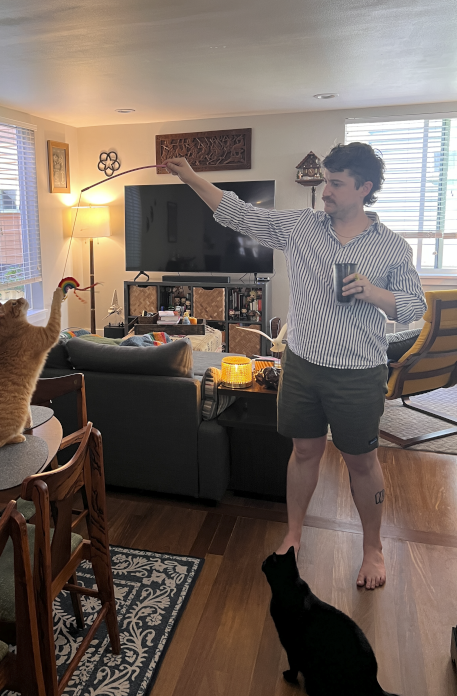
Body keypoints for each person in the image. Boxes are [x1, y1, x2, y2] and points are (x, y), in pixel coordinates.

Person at [166, 143, 426, 590]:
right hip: (302, 366)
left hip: (358, 372)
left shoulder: (392, 247)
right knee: (304, 452)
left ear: (364, 188)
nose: (326, 191)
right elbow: (239, 214)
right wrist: (190, 176)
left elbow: (414, 307)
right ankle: (293, 535)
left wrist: (372, 292)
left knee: (362, 462)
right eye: (326, 181)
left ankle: (373, 548)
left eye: (336, 184)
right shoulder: (302, 226)